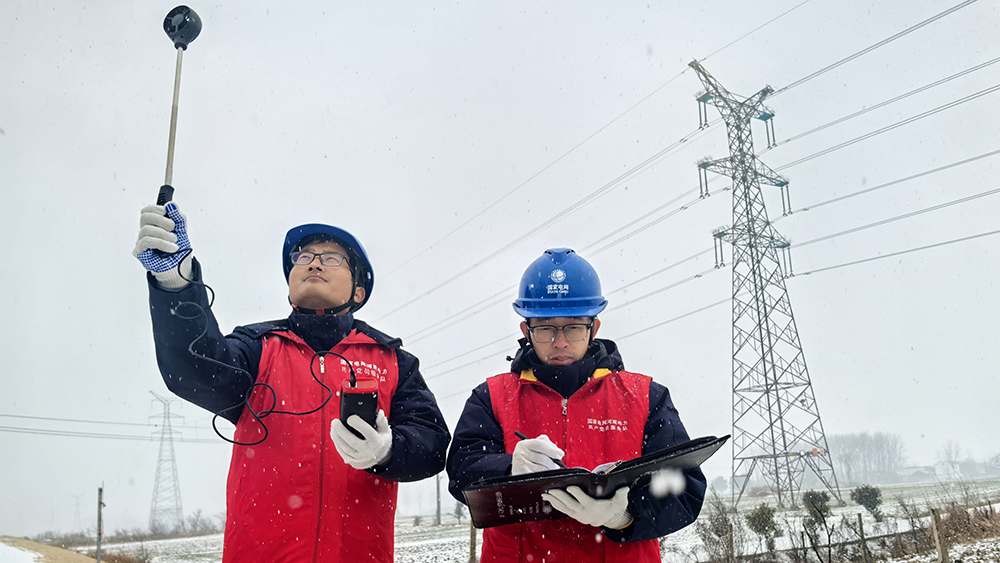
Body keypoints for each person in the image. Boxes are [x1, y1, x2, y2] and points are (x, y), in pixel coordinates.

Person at [133, 201, 450, 563]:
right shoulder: (256, 348)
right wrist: (176, 282)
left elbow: (435, 444)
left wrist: (388, 450)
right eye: (302, 257)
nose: (313, 262)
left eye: (332, 258)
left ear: (358, 292)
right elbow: (193, 369)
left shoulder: (393, 361)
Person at [446, 248, 706, 562]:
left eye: (573, 327)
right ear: (526, 331)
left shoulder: (646, 397)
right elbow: (460, 474)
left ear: (594, 328)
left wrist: (623, 516)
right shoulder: (491, 397)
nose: (560, 342)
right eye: (545, 328)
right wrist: (508, 467)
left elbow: (685, 490)